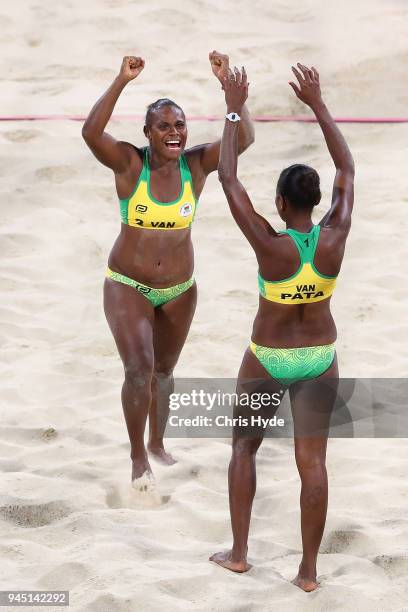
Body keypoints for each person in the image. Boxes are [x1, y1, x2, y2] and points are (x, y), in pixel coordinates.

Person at [210, 64, 354, 592]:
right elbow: (348, 169)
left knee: (243, 449)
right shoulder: (334, 237)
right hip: (320, 355)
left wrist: (232, 105)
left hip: (269, 356)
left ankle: (241, 554)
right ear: (315, 202)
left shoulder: (270, 245)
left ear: (280, 203)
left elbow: (227, 179)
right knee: (312, 463)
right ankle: (309, 573)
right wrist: (317, 103)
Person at [81, 53, 254, 488]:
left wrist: (231, 96)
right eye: (164, 126)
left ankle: (158, 442)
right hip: (128, 284)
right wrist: (121, 80)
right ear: (147, 133)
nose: (174, 133)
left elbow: (244, 140)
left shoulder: (194, 165)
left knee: (164, 371)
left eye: (179, 125)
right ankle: (139, 457)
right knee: (139, 368)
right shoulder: (129, 164)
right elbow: (90, 132)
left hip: (180, 288)